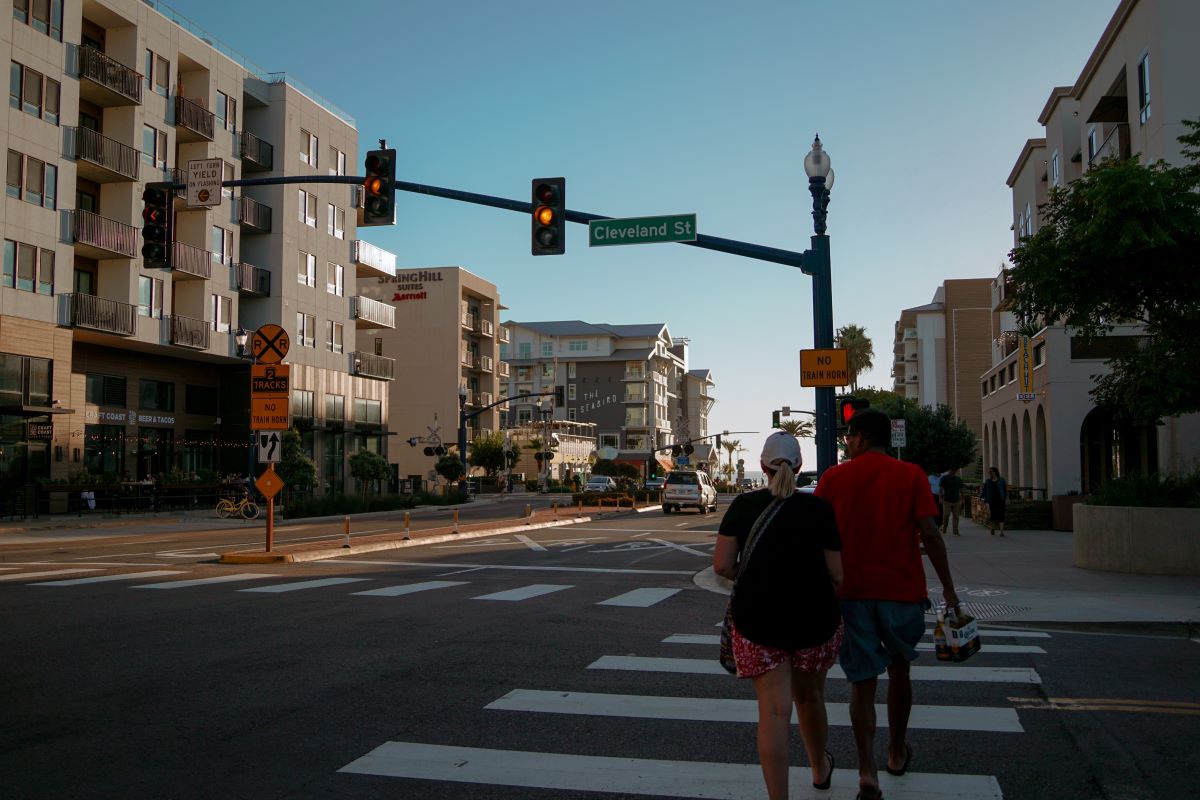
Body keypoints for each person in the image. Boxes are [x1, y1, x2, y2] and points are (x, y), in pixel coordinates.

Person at [815, 409, 961, 800]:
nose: (846, 442)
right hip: (902, 593)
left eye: (848, 437)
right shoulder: (911, 475)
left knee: (861, 684)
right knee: (900, 673)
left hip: (851, 594)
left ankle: (867, 771)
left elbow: (817, 537)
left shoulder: (832, 479)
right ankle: (896, 752)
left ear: (860, 438)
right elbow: (930, 535)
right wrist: (948, 589)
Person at [713, 432, 843, 799]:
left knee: (773, 713)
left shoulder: (742, 506)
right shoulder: (819, 509)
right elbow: (837, 575)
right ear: (800, 469)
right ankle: (820, 769)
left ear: (762, 467)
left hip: (758, 620)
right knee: (811, 699)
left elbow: (722, 565)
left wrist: (750, 576)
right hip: (815, 620)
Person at [980, 466, 1007, 537]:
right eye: (989, 472)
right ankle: (992, 528)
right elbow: (984, 491)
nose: (989, 473)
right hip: (991, 500)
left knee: (1001, 515)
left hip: (1000, 500)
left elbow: (1005, 490)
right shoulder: (988, 481)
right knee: (992, 515)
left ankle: (1001, 531)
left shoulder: (1001, 480)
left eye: (990, 472)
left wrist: (1007, 499)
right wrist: (982, 499)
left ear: (995, 472)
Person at [939, 466, 965, 536]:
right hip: (947, 500)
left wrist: (962, 500)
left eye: (954, 470)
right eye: (951, 470)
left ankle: (955, 531)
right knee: (946, 515)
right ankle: (944, 528)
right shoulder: (944, 478)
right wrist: (940, 498)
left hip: (956, 500)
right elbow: (941, 489)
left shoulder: (958, 479)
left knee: (956, 516)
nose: (952, 471)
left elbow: (962, 490)